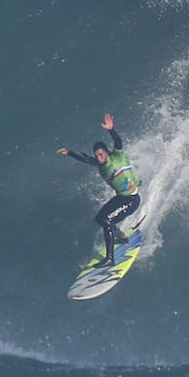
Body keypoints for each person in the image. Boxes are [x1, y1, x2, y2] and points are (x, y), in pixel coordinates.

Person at [57, 113, 141, 265]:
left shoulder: (117, 157)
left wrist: (111, 130)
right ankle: (120, 237)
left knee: (106, 221)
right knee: (99, 219)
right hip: (122, 198)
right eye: (96, 156)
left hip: (132, 199)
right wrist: (69, 152)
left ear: (107, 153)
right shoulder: (98, 164)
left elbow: (118, 141)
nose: (99, 158)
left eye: (101, 154)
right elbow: (83, 158)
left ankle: (110, 259)